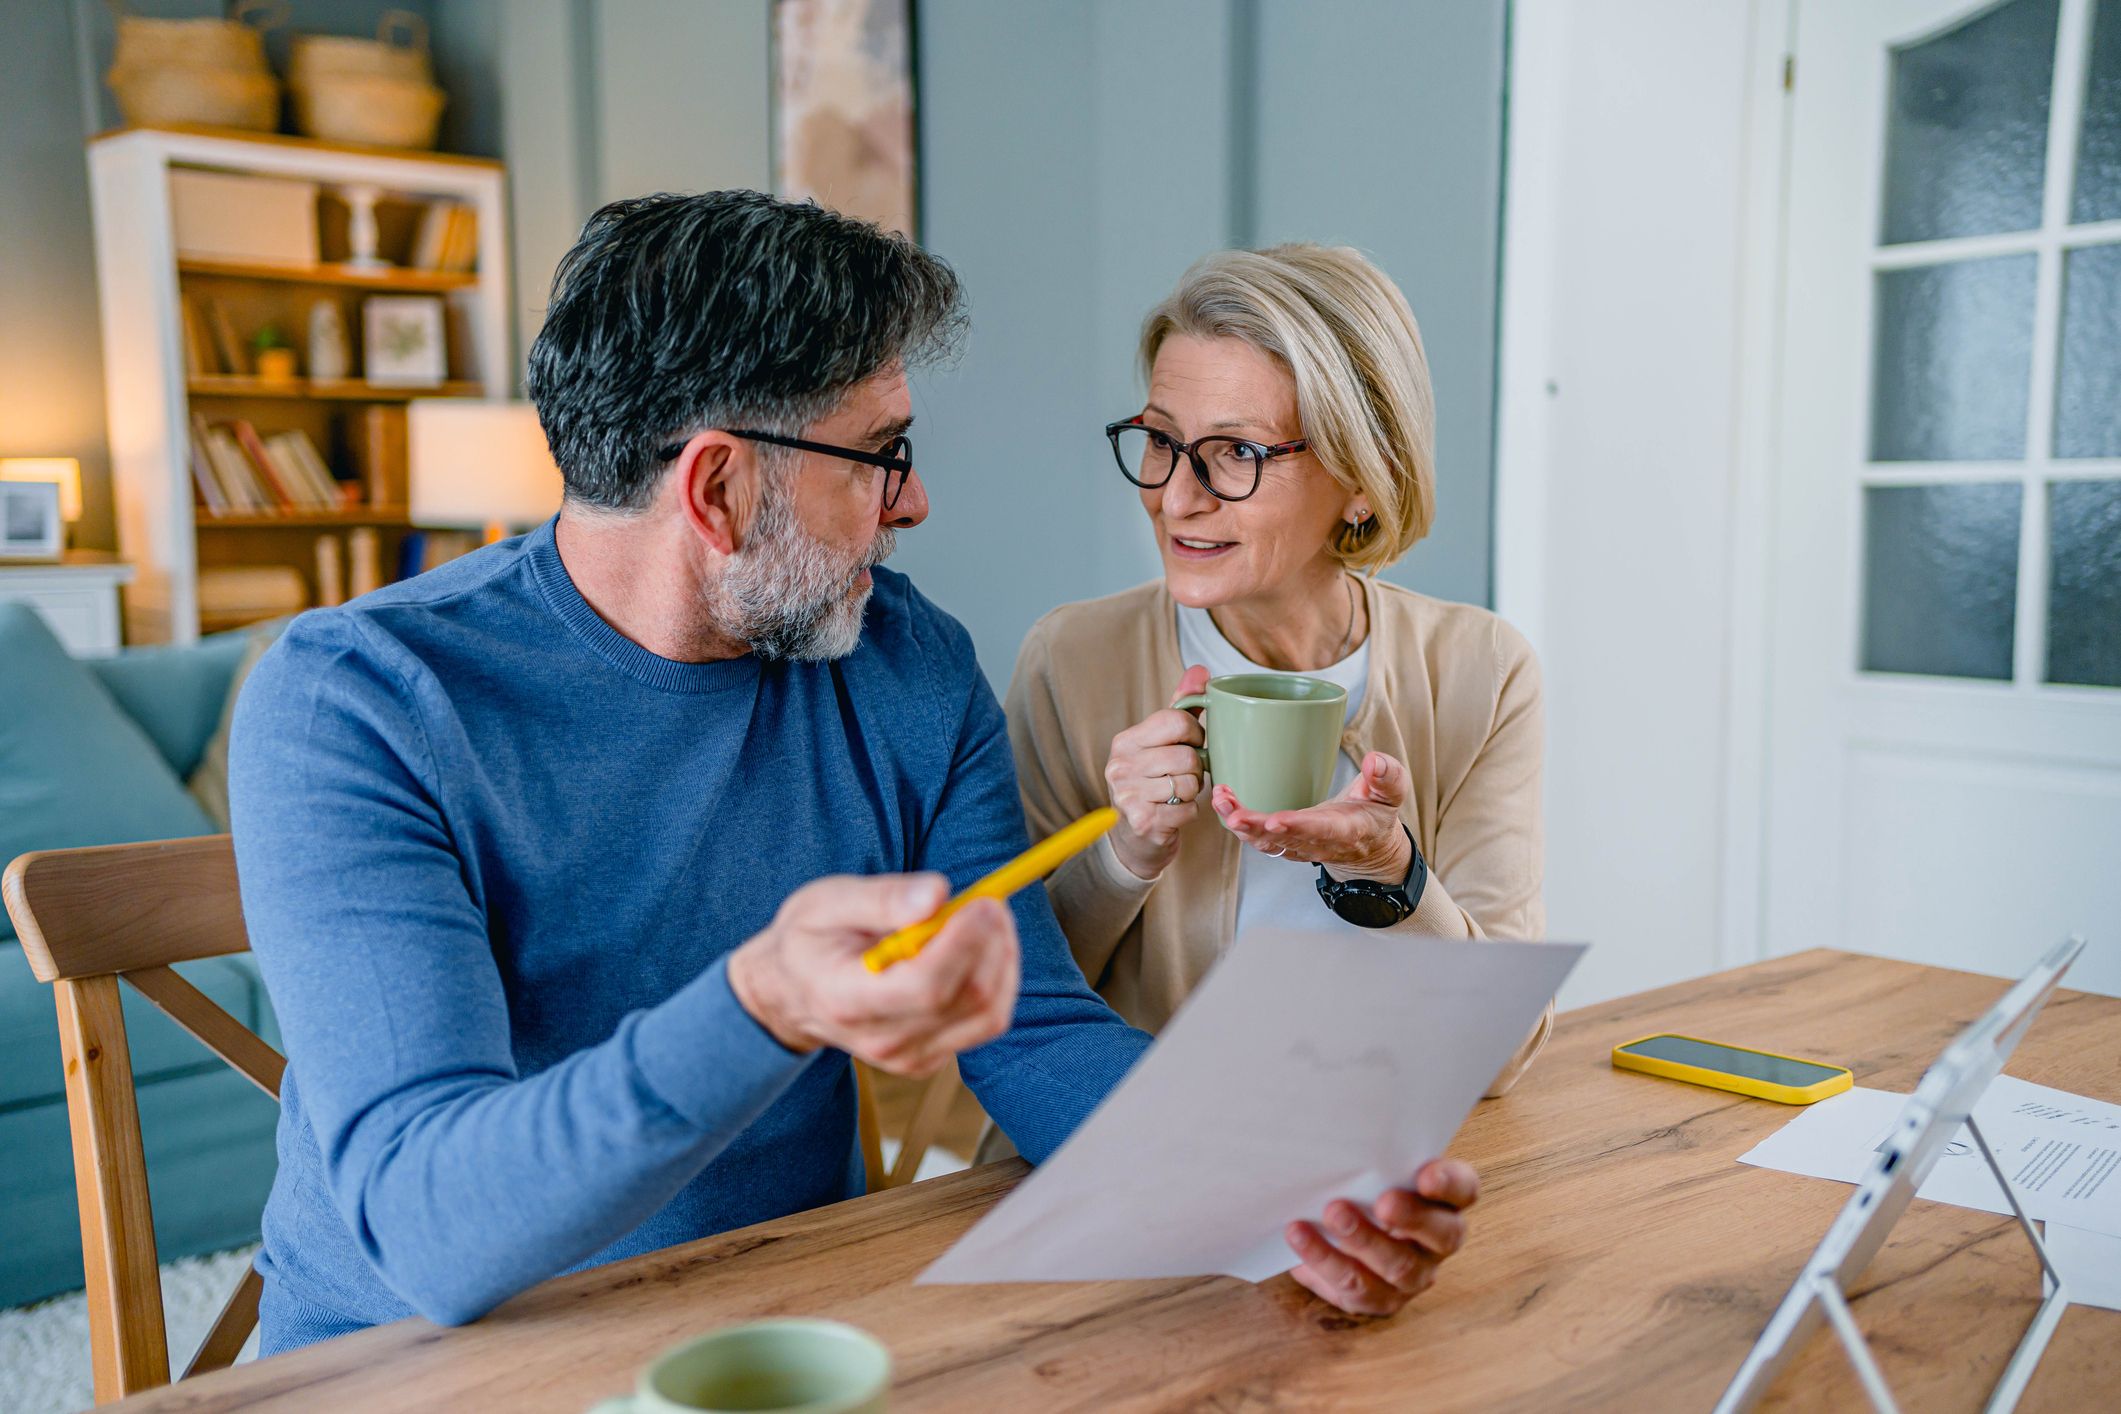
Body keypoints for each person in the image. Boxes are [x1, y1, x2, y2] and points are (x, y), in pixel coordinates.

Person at [229, 194, 1479, 1353]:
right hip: (416, 1363)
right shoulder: (361, 700)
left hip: (774, 1337)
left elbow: (1035, 1032)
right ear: (719, 488)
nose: (915, 500)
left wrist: (1293, 1186)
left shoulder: (905, 664)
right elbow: (431, 1227)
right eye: (881, 453)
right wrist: (764, 1000)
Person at [1004, 244, 1551, 1092]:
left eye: (1236, 452)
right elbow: (1006, 1012)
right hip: (1141, 1135)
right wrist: (1124, 853)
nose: (1174, 498)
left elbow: (1500, 1058)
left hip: (1378, 1139)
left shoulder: (1480, 673)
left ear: (1364, 475)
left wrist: (1387, 870)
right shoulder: (1072, 661)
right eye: (1160, 440)